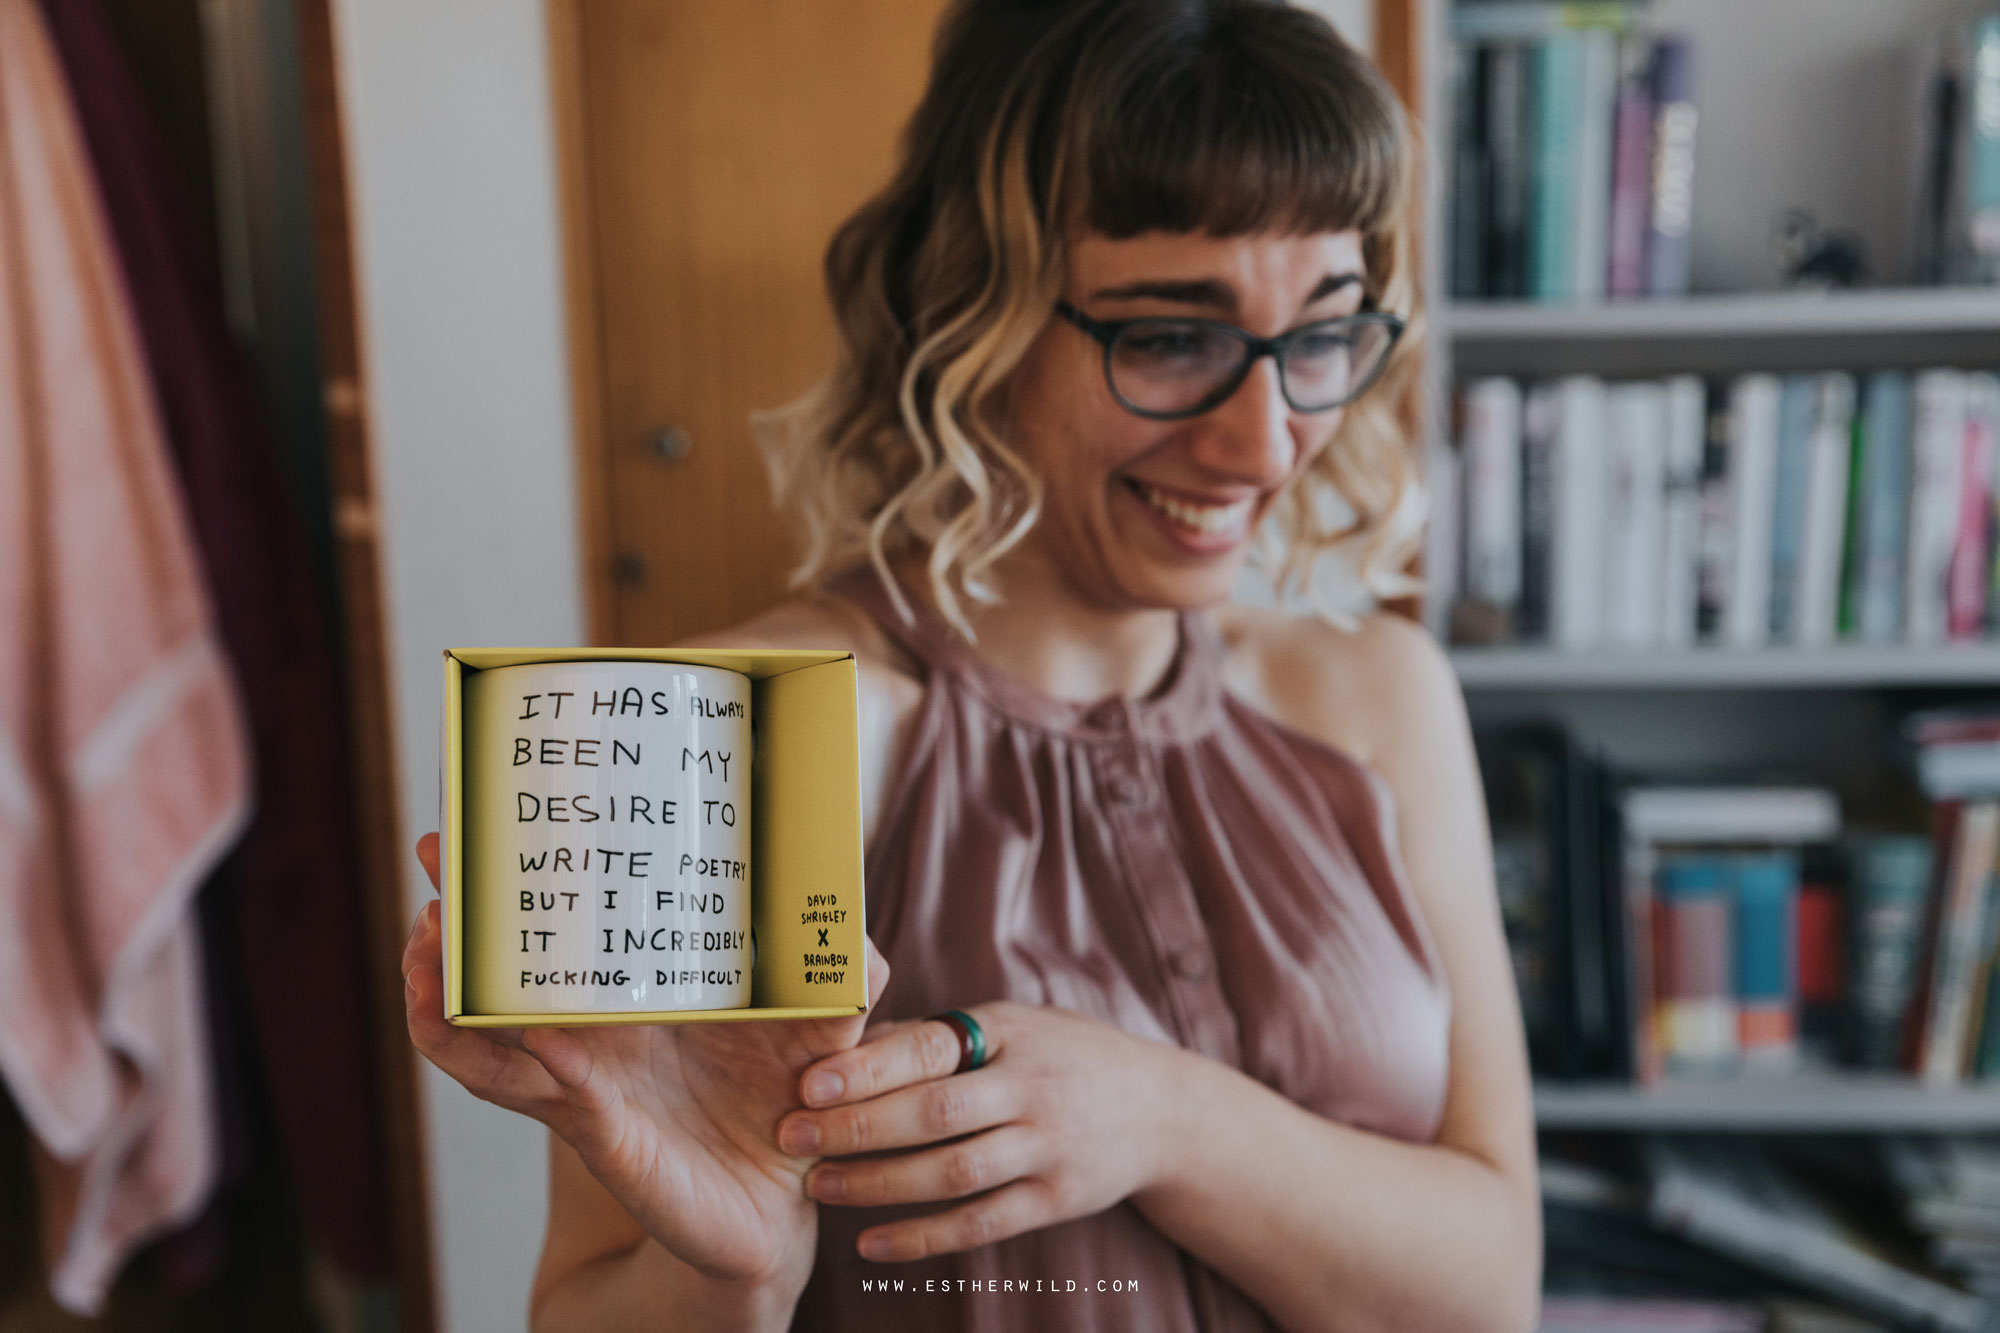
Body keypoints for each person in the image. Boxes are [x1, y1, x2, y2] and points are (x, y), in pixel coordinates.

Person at [402, 0, 1541, 1328]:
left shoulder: (1381, 693)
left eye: (1323, 335)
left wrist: (1169, 1119)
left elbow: (1492, 1291)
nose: (1268, 447)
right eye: (1173, 337)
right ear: (971, 313)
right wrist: (735, 1264)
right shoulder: (722, 740)